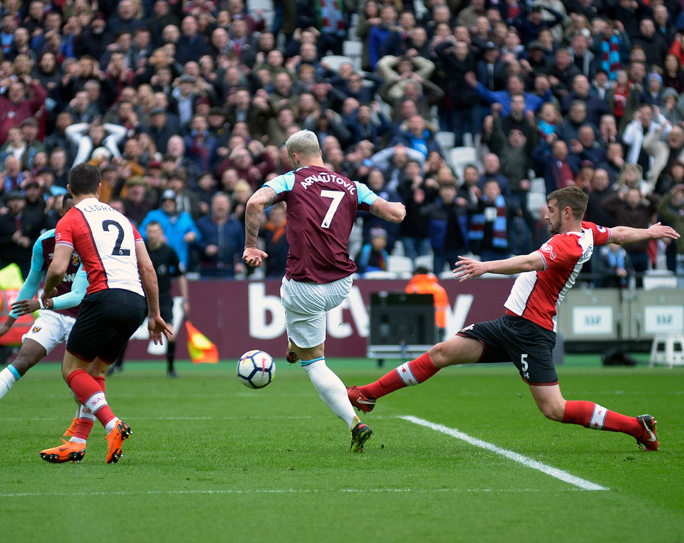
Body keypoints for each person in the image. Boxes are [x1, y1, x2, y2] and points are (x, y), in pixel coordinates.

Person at [347, 186, 679, 452]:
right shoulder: (588, 233)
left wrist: (485, 267)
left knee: (555, 409)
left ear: (566, 213)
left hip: (532, 331)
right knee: (441, 353)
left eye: (550, 210)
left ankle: (637, 426)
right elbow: (619, 233)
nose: (545, 215)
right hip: (511, 324)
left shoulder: (569, 246)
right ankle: (368, 394)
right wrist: (649, 232)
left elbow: (527, 262)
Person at [242, 130, 407, 453]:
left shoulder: (290, 180)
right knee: (303, 314)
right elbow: (395, 214)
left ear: (294, 157)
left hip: (304, 286)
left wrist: (251, 245)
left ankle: (353, 422)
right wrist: (398, 206)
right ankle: (295, 344)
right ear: (320, 152)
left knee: (314, 362)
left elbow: (254, 202)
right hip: (341, 284)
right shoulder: (352, 186)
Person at [35, 163, 170, 464]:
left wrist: (46, 293)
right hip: (135, 301)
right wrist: (154, 313)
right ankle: (77, 442)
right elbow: (147, 267)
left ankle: (113, 424)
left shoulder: (70, 217)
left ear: (69, 190)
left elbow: (57, 268)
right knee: (96, 372)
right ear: (99, 189)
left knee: (71, 370)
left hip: (104, 297)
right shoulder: (122, 218)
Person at [0, 194, 91, 437]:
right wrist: (9, 322)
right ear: (61, 214)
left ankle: (79, 422)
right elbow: (30, 284)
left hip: (82, 317)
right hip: (53, 315)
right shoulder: (45, 242)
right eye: (71, 211)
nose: (75, 216)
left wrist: (41, 302)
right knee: (22, 361)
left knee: (78, 377)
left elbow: (79, 295)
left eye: (80, 212)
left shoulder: (90, 243)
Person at [143, 219, 190, 377]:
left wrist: (185, 299)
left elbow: (180, 275)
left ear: (161, 233)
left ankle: (170, 368)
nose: (152, 235)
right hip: (141, 296)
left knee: (170, 333)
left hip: (162, 297)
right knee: (124, 331)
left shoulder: (169, 252)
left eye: (155, 232)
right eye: (149, 232)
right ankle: (118, 364)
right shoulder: (141, 250)